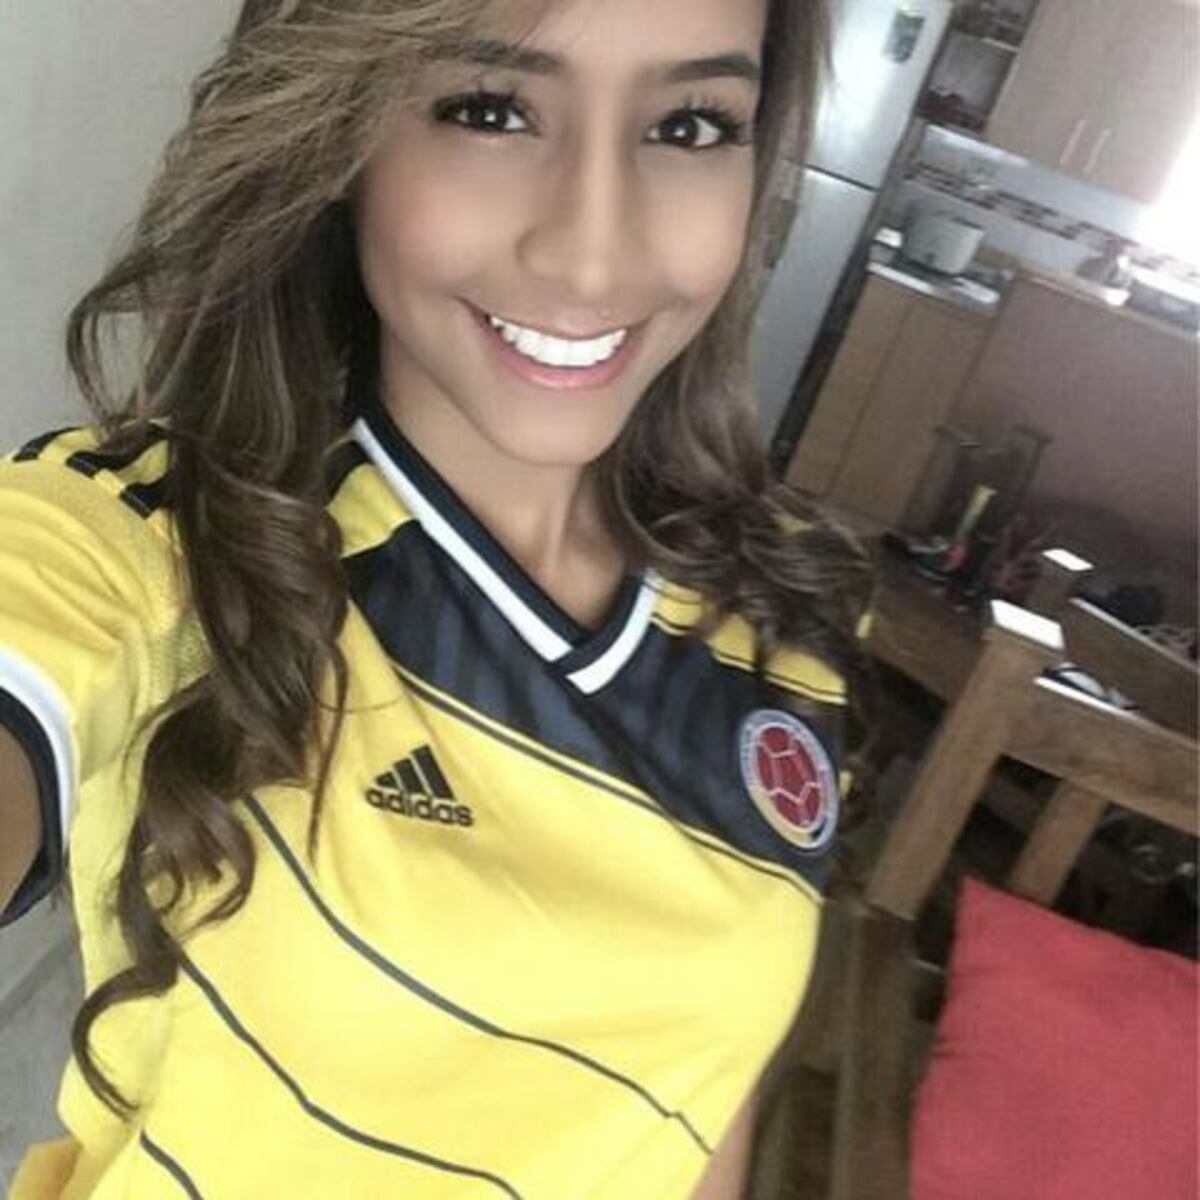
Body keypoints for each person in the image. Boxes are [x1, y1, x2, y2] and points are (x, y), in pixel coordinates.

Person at [0, 0, 873, 1195]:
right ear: (340, 140)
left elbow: (700, 1104)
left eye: (688, 126)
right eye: (489, 110)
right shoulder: (171, 545)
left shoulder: (789, 612)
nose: (594, 256)